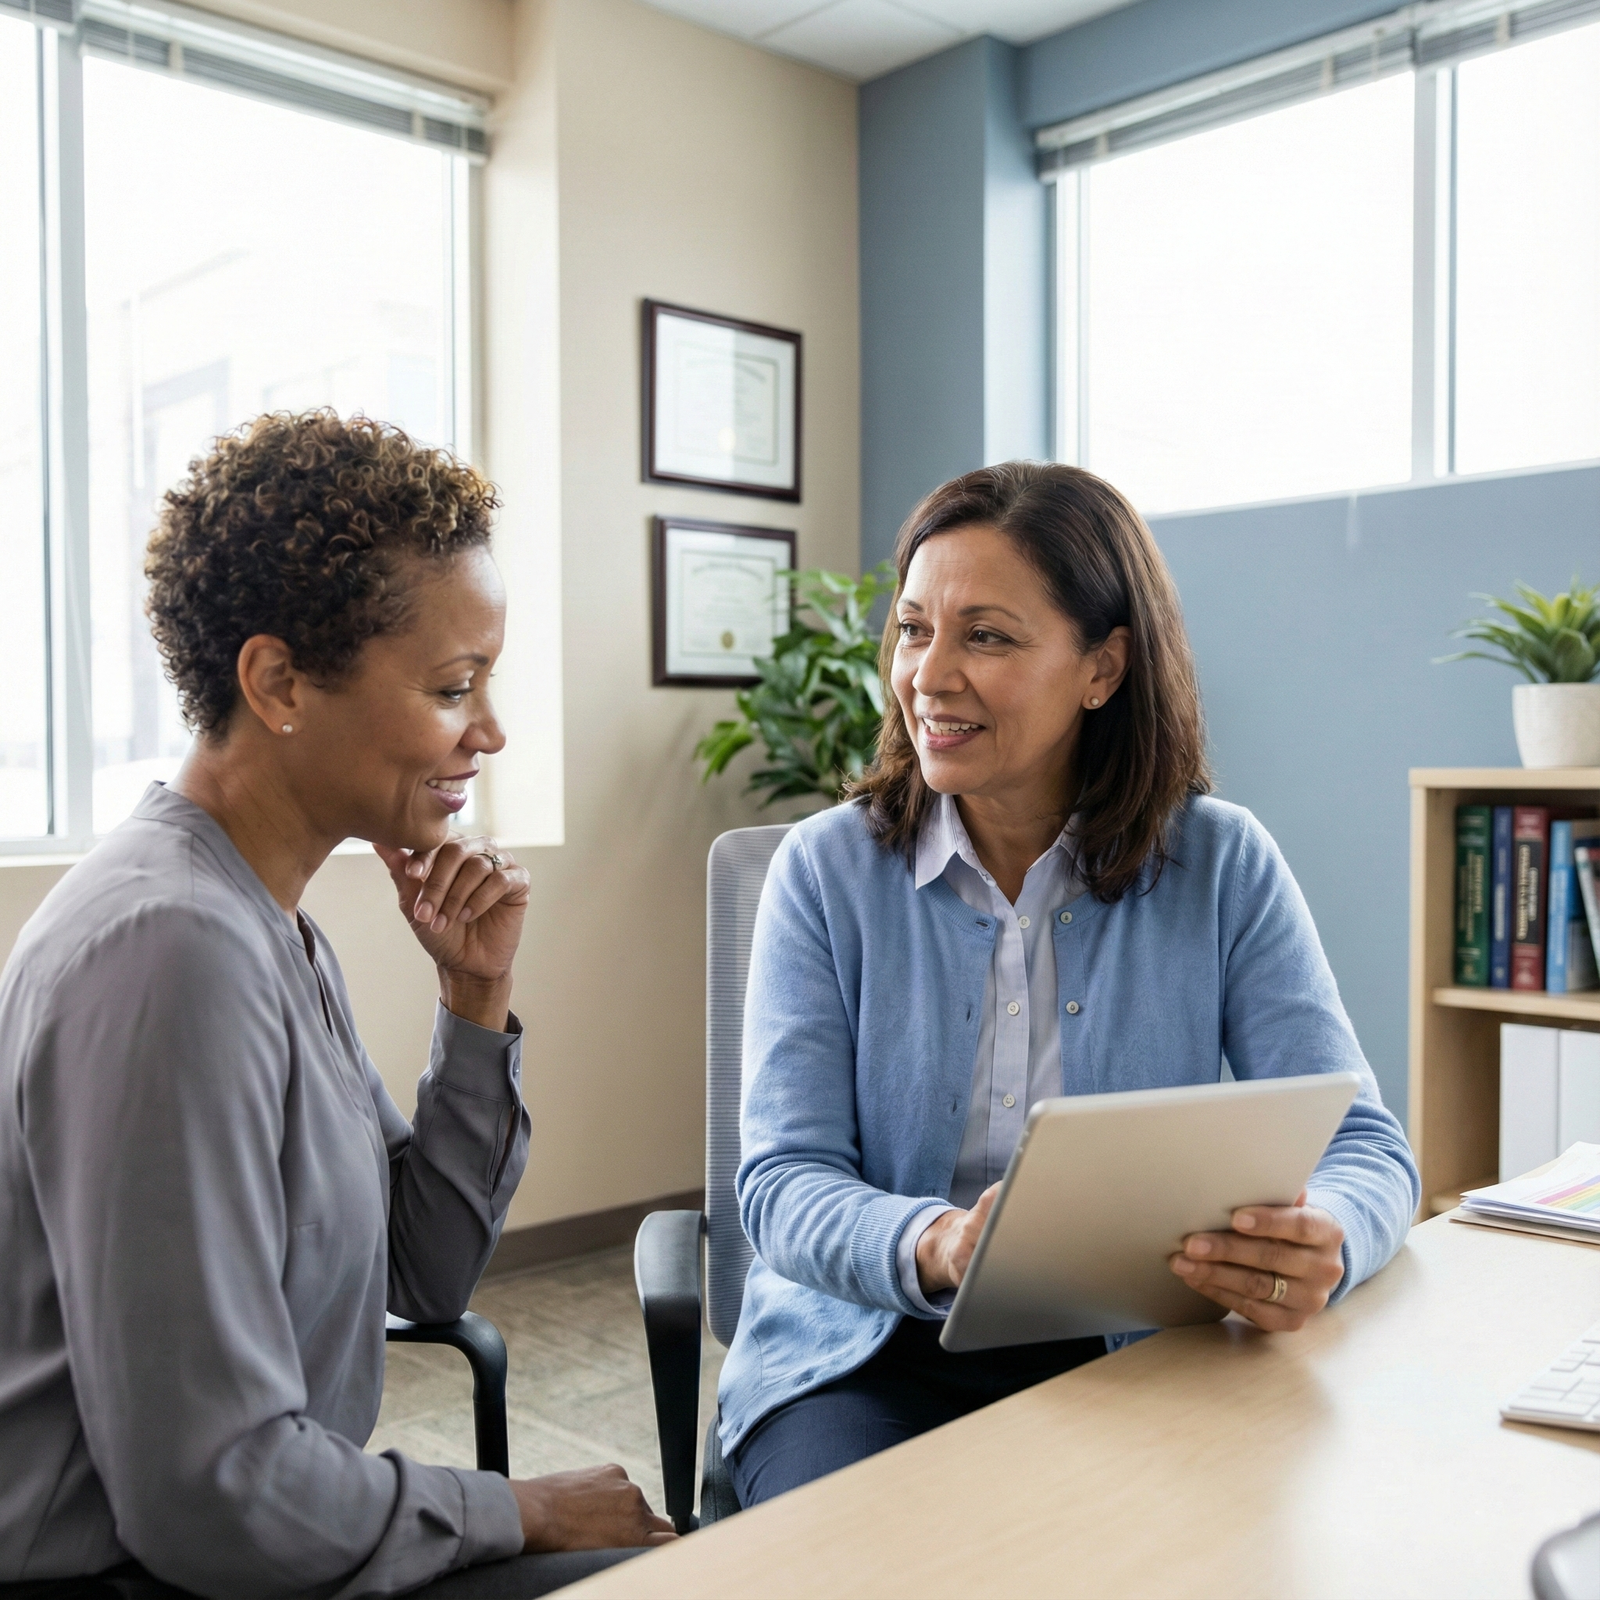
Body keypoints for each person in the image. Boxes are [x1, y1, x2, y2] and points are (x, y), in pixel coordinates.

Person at [0, 412, 673, 1598]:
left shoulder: (265, 921)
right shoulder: (173, 951)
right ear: (277, 682)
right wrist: (510, 1506)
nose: (491, 730)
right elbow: (209, 1491)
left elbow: (422, 1272)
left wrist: (474, 999)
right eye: (453, 686)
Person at [719, 461, 1421, 1507]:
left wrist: (1330, 1237)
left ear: (1102, 666)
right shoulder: (824, 874)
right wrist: (939, 1241)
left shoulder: (1222, 864)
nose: (929, 674)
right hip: (861, 1358)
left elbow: (1365, 1147)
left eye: (985, 636)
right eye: (913, 629)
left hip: (1134, 1347)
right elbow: (781, 1185)